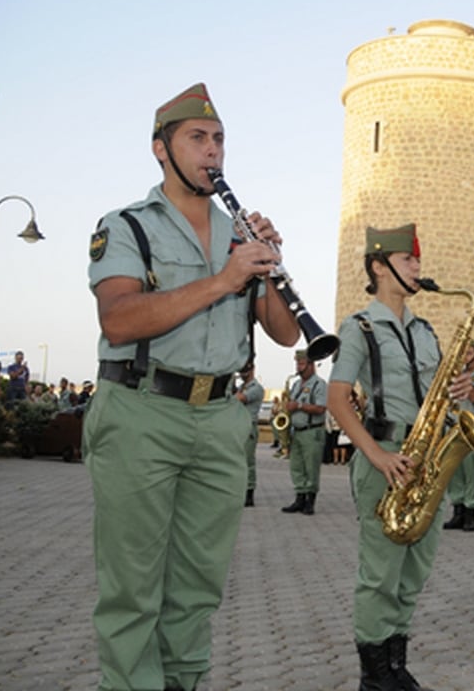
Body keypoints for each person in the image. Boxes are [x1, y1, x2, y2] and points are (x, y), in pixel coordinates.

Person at [84, 82, 299, 691]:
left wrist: (271, 265)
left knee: (199, 583)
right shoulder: (127, 225)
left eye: (219, 140)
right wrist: (224, 278)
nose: (213, 152)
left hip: (220, 420)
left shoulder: (238, 233)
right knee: (133, 586)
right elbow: (120, 319)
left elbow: (284, 335)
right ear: (161, 149)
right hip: (141, 410)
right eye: (197, 139)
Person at [327, 222, 473, 690]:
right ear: (379, 266)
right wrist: (377, 457)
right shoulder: (359, 327)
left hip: (425, 456)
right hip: (385, 455)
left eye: (417, 260)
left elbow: (434, 394)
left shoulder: (425, 329)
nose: (417, 268)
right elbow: (337, 399)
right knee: (381, 574)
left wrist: (459, 390)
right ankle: (373, 677)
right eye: (409, 260)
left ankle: (395, 664)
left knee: (415, 569)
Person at [442, 341, 474, 532]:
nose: (464, 357)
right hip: (453, 428)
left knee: (472, 473)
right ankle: (457, 511)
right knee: (454, 471)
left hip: (473, 431)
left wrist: (464, 379)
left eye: (469, 353)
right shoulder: (453, 378)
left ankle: (470, 513)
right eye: (463, 354)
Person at [280, 349, 328, 515]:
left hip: (312, 431)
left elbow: (321, 408)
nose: (298, 367)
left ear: (311, 364)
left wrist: (299, 406)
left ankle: (310, 501)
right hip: (297, 432)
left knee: (311, 467)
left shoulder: (319, 384)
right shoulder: (295, 384)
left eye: (301, 364)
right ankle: (299, 498)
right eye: (297, 363)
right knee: (297, 466)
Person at [234, 363, 264, 508]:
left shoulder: (256, 388)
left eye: (244, 370)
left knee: (247, 461)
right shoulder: (241, 387)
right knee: (238, 461)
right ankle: (240, 491)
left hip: (249, 427)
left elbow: (238, 399)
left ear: (252, 369)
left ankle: (249, 493)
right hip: (239, 426)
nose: (241, 373)